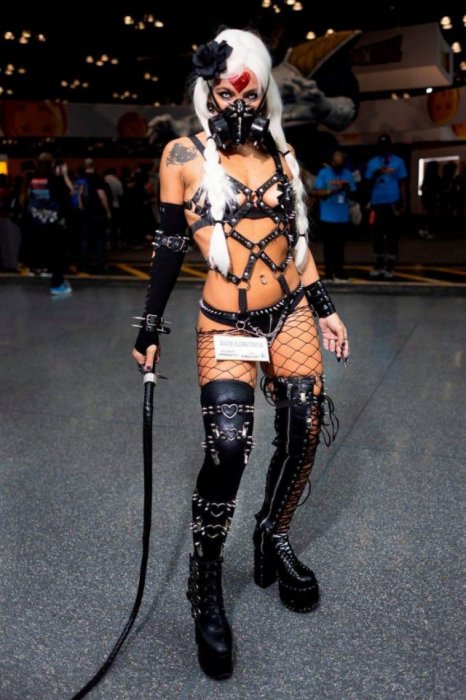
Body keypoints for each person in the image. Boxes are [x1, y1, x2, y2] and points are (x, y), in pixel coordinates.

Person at [132, 28, 349, 680]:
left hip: (291, 313)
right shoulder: (181, 155)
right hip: (225, 320)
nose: (237, 106)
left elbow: (296, 246)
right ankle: (204, 583)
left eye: (248, 96)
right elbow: (170, 246)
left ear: (263, 96)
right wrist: (149, 326)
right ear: (208, 92)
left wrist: (326, 307)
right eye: (226, 94)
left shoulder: (281, 153)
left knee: (304, 429)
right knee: (228, 449)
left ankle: (272, 534)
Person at [20, 152, 73, 295]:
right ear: (52, 164)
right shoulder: (55, 179)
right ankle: (57, 284)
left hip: (36, 220)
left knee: (43, 250)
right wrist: (64, 175)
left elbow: (23, 199)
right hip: (53, 221)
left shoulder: (30, 178)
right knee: (58, 252)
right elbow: (68, 195)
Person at [365, 134, 407, 279]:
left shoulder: (398, 161)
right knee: (377, 234)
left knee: (392, 234)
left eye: (386, 145)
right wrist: (376, 174)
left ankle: (390, 265)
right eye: (381, 145)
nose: (384, 148)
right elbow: (367, 182)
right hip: (377, 203)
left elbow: (402, 183)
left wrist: (404, 202)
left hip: (392, 202)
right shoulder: (373, 162)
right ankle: (379, 263)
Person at [314, 149, 356, 281]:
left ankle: (339, 272)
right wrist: (334, 190)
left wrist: (348, 190)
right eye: (337, 162)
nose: (339, 165)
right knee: (328, 247)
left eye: (341, 162)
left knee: (340, 247)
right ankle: (328, 272)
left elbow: (354, 192)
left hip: (342, 217)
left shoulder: (347, 174)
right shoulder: (324, 173)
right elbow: (317, 192)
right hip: (327, 217)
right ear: (332, 162)